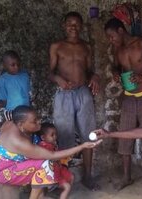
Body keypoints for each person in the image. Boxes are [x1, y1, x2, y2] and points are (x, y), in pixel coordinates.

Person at [0, 106, 101, 199]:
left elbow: (6, 121)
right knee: (46, 164)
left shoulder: (12, 122)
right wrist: (82, 146)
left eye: (38, 119)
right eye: (34, 121)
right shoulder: (19, 142)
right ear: (21, 125)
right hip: (2, 171)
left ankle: (41, 195)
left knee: (44, 160)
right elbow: (52, 155)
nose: (39, 123)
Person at [104, 17, 142, 192]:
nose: (111, 40)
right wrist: (116, 73)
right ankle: (126, 177)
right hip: (128, 97)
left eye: (112, 36)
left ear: (121, 31)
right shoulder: (118, 50)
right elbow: (116, 66)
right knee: (124, 136)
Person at [48, 11, 100, 190]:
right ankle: (63, 178)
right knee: (64, 136)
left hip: (83, 92)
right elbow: (50, 72)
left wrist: (94, 77)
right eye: (70, 23)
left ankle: (87, 175)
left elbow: (90, 70)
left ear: (81, 27)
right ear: (64, 26)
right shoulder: (57, 46)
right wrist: (58, 79)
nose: (73, 27)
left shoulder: (86, 47)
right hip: (64, 94)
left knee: (89, 134)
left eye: (77, 24)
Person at [0, 50, 34, 152]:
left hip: (26, 111)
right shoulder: (2, 80)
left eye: (18, 64)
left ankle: (27, 156)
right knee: (13, 135)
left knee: (28, 134)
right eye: (12, 65)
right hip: (11, 112)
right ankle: (12, 156)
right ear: (5, 65)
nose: (16, 67)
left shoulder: (25, 76)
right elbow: (4, 102)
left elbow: (26, 95)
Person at [37, 123, 73, 199]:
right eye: (52, 135)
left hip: (57, 170)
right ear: (43, 137)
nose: (55, 137)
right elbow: (53, 156)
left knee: (71, 177)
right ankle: (63, 195)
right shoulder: (43, 147)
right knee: (67, 187)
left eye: (55, 134)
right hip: (51, 174)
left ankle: (61, 194)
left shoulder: (51, 144)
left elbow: (57, 153)